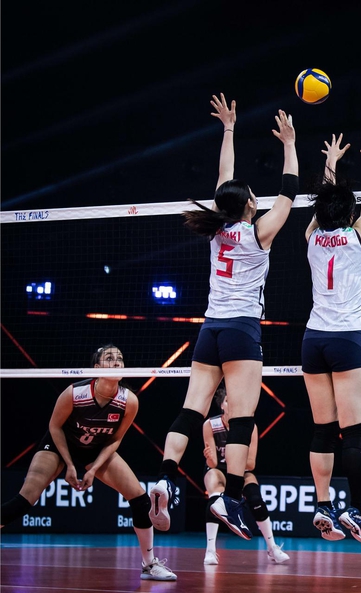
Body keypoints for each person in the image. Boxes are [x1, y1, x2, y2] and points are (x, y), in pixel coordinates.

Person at [149, 93, 299, 540]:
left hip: (210, 329)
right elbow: (289, 191)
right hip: (241, 331)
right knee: (243, 420)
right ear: (250, 204)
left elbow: (224, 180)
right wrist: (290, 142)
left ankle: (163, 478)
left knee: (191, 410)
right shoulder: (259, 231)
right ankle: (231, 498)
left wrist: (229, 129)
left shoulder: (217, 226)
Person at [0, 345, 177, 581]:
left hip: (96, 450)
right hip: (59, 445)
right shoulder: (74, 393)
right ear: (96, 368)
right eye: (110, 359)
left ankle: (149, 565)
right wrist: (70, 464)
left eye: (120, 359)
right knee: (26, 498)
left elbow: (115, 439)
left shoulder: (129, 401)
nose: (116, 363)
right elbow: (54, 427)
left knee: (139, 498)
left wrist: (93, 468)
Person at [303, 127, 361, 546]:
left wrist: (331, 165)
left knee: (324, 430)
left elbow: (326, 202)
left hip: (313, 340)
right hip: (347, 339)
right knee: (353, 433)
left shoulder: (311, 239)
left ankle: (323, 505)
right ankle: (356, 509)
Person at [201, 385, 288, 565]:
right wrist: (210, 458)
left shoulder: (249, 426)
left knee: (255, 499)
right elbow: (213, 464)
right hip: (219, 470)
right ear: (222, 405)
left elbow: (250, 463)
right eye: (227, 400)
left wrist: (234, 460)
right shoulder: (210, 425)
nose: (231, 403)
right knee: (215, 496)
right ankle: (210, 551)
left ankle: (272, 548)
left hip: (241, 471)